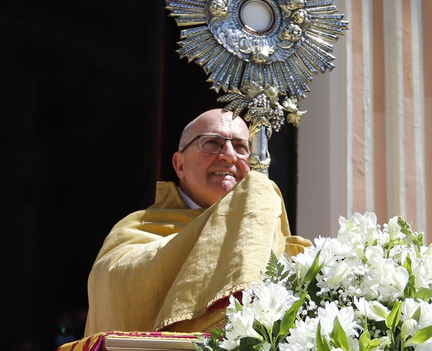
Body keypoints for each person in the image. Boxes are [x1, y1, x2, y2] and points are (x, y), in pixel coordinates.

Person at [85, 109, 308, 335]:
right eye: (212, 142)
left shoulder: (268, 231)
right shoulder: (139, 226)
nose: (229, 155)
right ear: (179, 164)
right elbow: (113, 284)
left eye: (241, 147)